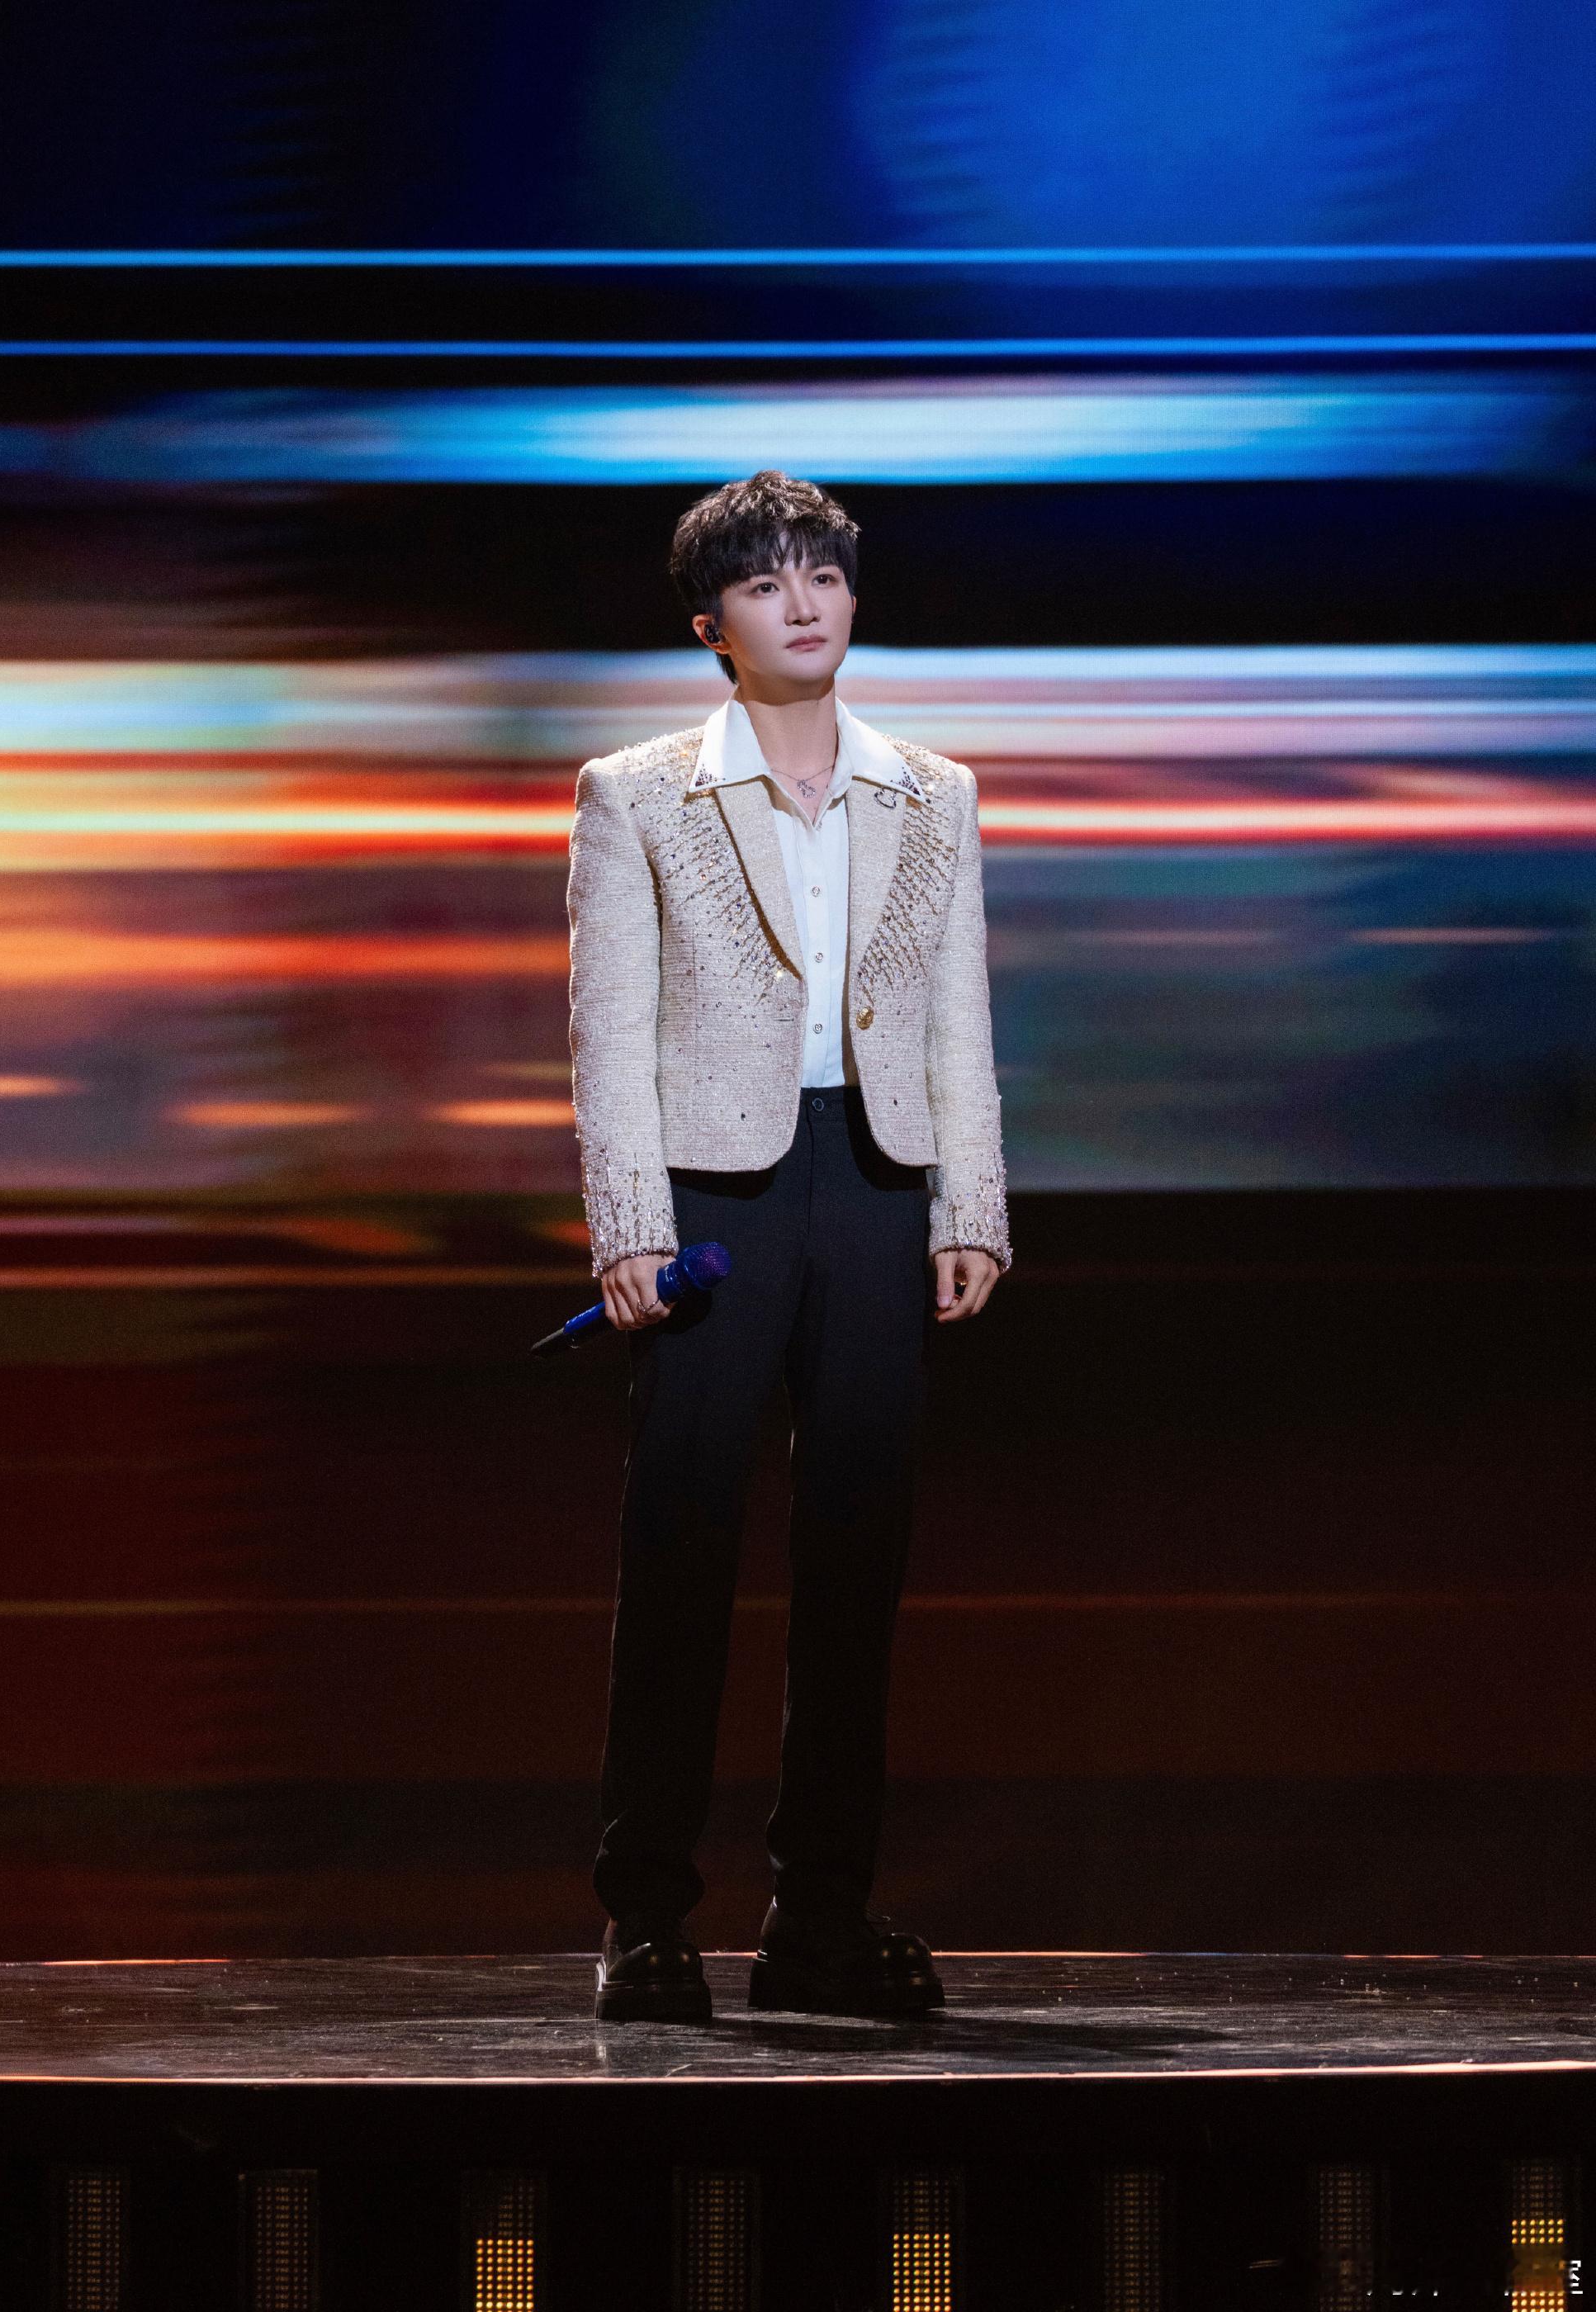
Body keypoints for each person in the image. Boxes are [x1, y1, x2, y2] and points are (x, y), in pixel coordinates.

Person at [566, 469, 1010, 2022]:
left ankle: (821, 1914)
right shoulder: (636, 793)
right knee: (681, 1550)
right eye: (764, 583)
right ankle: (646, 1915)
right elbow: (609, 1028)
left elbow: (956, 1012)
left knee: (856, 1557)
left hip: (879, 1185)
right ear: (714, 625)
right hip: (716, 1197)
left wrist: (970, 1205)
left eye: (822, 574)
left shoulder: (932, 792)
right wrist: (631, 1222)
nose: (802, 602)